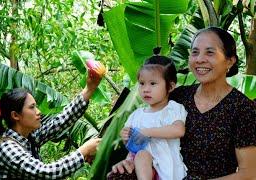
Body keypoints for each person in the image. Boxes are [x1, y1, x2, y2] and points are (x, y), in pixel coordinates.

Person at [108, 26, 256, 179]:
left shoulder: (243, 109)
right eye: (195, 52)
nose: (199, 59)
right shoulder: (177, 96)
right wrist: (129, 161)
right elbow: (149, 130)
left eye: (210, 52)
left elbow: (249, 173)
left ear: (230, 61)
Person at [0, 70, 102, 179]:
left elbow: (60, 122)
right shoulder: (6, 148)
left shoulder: (30, 137)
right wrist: (84, 150)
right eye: (32, 107)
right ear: (15, 115)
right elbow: (46, 173)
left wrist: (89, 89)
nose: (38, 112)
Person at [121, 51, 188, 180]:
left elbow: (178, 130)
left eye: (152, 84)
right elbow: (131, 145)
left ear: (170, 87)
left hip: (167, 168)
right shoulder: (137, 115)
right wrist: (125, 136)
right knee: (141, 155)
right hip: (144, 170)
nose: (146, 89)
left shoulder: (173, 108)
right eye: (142, 83)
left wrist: (147, 132)